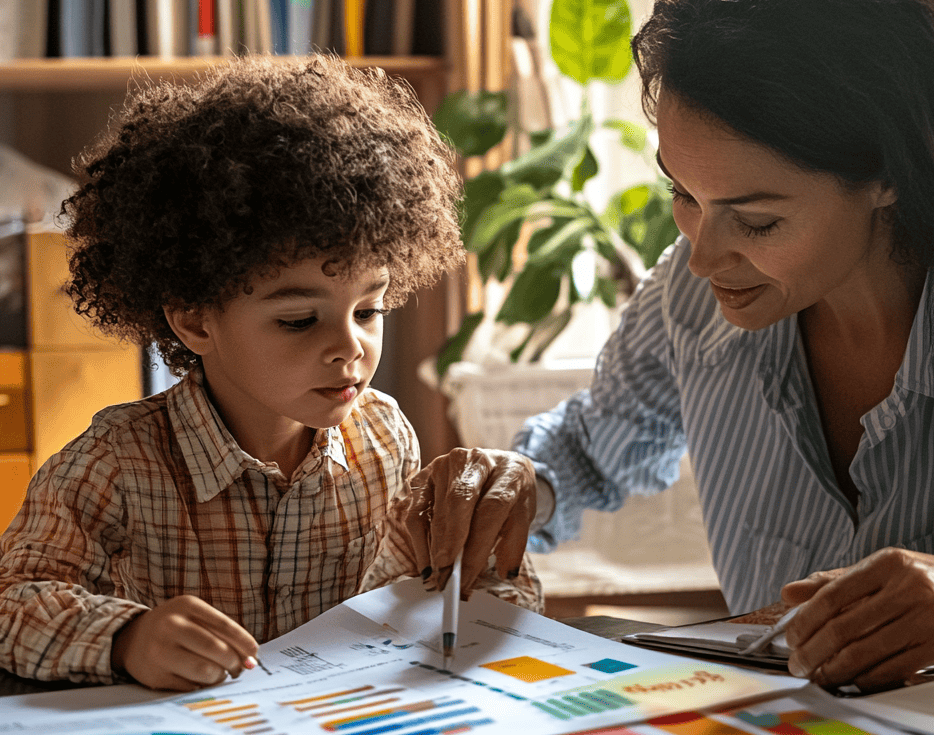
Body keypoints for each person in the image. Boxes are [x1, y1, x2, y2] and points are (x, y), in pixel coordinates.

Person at [514, 0, 934, 693]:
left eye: (755, 222)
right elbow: (589, 447)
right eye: (683, 195)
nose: (703, 256)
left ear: (891, 174)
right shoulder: (692, 303)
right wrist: (517, 487)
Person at [0, 54, 538, 692]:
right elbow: (13, 601)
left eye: (370, 310)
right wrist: (127, 639)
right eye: (299, 320)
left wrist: (480, 553)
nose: (350, 348)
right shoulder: (115, 462)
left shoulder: (385, 439)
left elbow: (415, 589)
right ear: (196, 320)